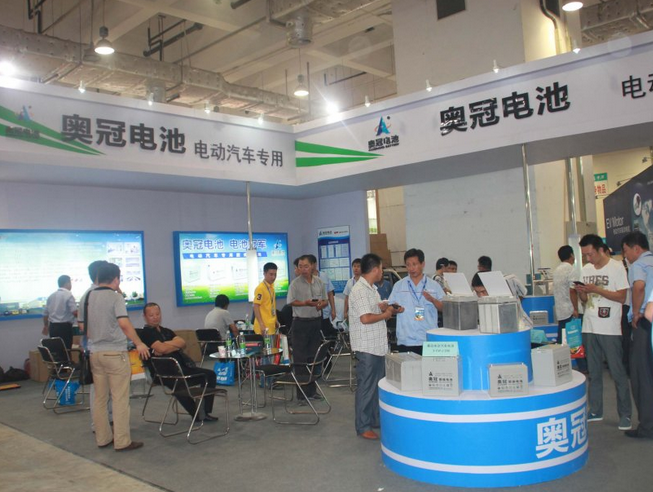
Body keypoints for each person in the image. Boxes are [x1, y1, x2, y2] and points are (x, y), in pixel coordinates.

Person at [78, 262, 150, 451]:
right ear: (116, 279)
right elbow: (124, 324)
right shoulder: (116, 297)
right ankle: (122, 441)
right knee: (120, 399)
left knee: (100, 399)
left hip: (95, 353)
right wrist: (139, 343)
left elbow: (82, 327)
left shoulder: (87, 296)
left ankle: (103, 438)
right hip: (115, 353)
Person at [575, 234, 632, 430]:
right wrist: (583, 292)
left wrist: (597, 289)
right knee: (594, 372)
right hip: (589, 326)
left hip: (610, 328)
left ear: (601, 250)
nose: (588, 258)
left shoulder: (616, 268)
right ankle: (595, 410)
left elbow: (622, 297)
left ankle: (625, 414)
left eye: (590, 254)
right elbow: (584, 300)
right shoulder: (586, 270)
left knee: (617, 373)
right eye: (585, 255)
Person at [140, 302, 218, 422]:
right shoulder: (145, 333)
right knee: (179, 383)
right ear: (145, 317)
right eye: (151, 315)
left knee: (209, 375)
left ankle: (204, 411)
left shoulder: (166, 331)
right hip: (163, 372)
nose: (155, 317)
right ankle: (196, 414)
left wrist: (165, 345)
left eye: (157, 314)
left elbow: (181, 342)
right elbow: (162, 349)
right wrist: (171, 346)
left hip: (182, 366)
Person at [349, 253, 398, 440]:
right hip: (367, 347)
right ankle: (363, 426)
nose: (382, 272)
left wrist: (386, 307)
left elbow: (373, 309)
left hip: (377, 346)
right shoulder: (360, 290)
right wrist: (385, 315)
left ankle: (375, 419)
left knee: (377, 386)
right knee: (366, 387)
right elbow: (365, 318)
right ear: (375, 269)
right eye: (381, 268)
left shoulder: (372, 289)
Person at [621, 231, 653, 438]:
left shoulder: (638, 265)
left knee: (642, 376)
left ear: (636, 248)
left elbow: (639, 287)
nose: (625, 256)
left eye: (626, 251)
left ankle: (647, 426)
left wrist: (636, 313)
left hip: (645, 323)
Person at [388, 248, 444, 355]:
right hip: (406, 339)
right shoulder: (399, 286)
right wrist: (396, 309)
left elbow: (444, 308)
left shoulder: (434, 285)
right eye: (408, 265)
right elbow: (391, 307)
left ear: (422, 264)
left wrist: (432, 300)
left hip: (427, 339)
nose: (411, 268)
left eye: (414, 264)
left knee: (429, 366)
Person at [286, 255, 327, 399]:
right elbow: (290, 302)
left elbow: (325, 300)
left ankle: (312, 391)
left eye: (306, 266)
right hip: (300, 323)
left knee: (313, 358)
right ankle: (302, 394)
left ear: (312, 266)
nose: (303, 269)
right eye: (300, 266)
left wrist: (321, 304)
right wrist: (305, 303)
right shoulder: (295, 284)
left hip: (315, 322)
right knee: (300, 359)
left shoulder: (319, 282)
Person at [42, 275, 78, 350]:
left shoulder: (51, 296)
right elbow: (74, 312)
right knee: (66, 350)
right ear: (67, 283)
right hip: (64, 328)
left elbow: (45, 314)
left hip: (53, 327)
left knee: (56, 351)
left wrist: (46, 326)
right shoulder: (68, 295)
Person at [552, 246, 580, 342]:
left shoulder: (556, 270)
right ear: (572, 255)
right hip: (570, 310)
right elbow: (572, 290)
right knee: (574, 340)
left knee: (562, 339)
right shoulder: (571, 270)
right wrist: (575, 309)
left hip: (560, 310)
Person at [307, 254, 337, 338]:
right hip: (312, 314)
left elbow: (330, 294)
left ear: (315, 264)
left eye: (310, 264)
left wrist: (333, 310)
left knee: (327, 336)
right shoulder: (306, 278)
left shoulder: (323, 275)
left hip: (325, 313)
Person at [253, 262, 280, 336]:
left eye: (275, 274)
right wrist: (261, 324)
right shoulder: (260, 288)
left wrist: (276, 320)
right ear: (264, 273)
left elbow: (271, 306)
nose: (273, 277)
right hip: (263, 328)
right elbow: (256, 306)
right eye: (271, 274)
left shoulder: (271, 287)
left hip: (271, 325)